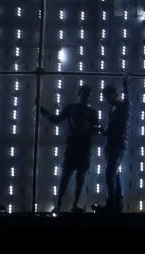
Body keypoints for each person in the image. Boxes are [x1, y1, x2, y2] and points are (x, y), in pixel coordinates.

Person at [38, 84, 101, 213]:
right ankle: (62, 205)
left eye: (88, 95)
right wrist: (41, 109)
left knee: (78, 178)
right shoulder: (72, 109)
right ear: (80, 94)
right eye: (84, 94)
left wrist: (94, 130)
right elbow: (56, 119)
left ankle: (70, 205)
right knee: (67, 177)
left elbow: (96, 130)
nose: (86, 97)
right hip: (74, 148)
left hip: (83, 149)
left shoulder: (90, 112)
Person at [93, 74, 131, 213]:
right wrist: (100, 131)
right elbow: (109, 131)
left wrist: (125, 83)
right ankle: (117, 204)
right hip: (110, 146)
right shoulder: (113, 110)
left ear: (114, 94)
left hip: (118, 145)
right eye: (106, 98)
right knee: (114, 174)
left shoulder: (124, 107)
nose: (107, 100)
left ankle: (112, 204)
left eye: (109, 97)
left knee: (110, 173)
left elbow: (127, 99)